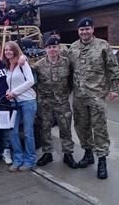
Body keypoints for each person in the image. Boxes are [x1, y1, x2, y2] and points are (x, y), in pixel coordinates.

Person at [67, 17, 119, 179]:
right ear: (78, 31)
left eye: (87, 29)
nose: (84, 32)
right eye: (81, 30)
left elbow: (113, 67)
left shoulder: (102, 46)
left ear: (92, 29)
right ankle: (88, 154)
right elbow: (68, 72)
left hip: (96, 95)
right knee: (81, 127)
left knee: (100, 129)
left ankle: (102, 161)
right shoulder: (73, 48)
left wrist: (115, 89)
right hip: (79, 97)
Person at [32, 37, 78, 168]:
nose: (52, 50)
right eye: (49, 47)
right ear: (45, 49)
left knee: (65, 129)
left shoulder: (67, 63)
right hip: (45, 103)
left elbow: (71, 80)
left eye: (55, 47)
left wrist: (65, 94)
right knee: (45, 129)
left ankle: (68, 154)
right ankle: (47, 153)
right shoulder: (38, 66)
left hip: (62, 102)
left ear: (58, 48)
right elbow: (33, 82)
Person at [2, 41, 37, 172]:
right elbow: (11, 85)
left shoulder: (22, 64)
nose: (8, 52)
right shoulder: (7, 67)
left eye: (10, 50)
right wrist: (8, 91)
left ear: (16, 51)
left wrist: (14, 92)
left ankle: (29, 160)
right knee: (13, 131)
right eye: (6, 50)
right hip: (14, 103)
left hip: (27, 101)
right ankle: (18, 158)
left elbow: (30, 81)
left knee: (28, 133)